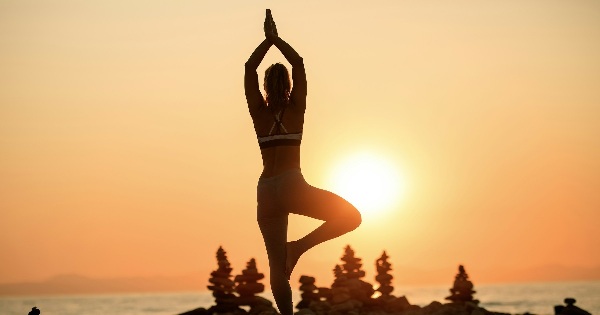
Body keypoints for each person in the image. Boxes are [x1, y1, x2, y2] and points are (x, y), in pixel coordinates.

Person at [244, 9, 362, 315]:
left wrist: (265, 42)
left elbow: (249, 67)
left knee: (275, 264)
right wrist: (277, 39)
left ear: (266, 86)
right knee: (351, 217)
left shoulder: (259, 113)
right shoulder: (297, 109)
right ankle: (298, 248)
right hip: (292, 183)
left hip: (266, 189)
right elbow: (298, 63)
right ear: (288, 86)